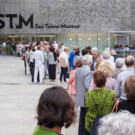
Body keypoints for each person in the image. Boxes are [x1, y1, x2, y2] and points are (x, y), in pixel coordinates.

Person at [75, 54, 93, 135]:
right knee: (86, 118)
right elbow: (87, 86)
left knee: (82, 117)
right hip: (86, 97)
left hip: (80, 97)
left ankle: (81, 132)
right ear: (90, 62)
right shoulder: (88, 71)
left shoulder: (79, 70)